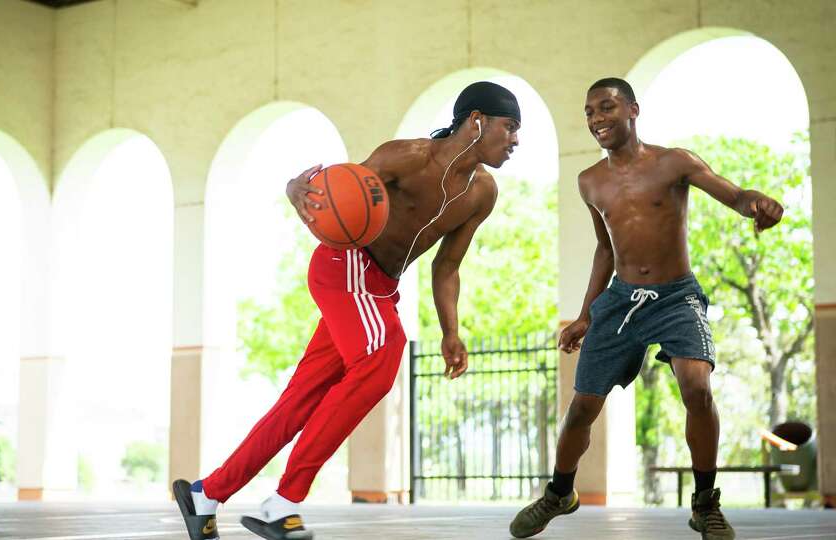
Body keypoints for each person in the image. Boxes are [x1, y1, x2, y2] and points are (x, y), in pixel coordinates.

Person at [173, 81, 522, 540]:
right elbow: (336, 194)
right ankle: (284, 503)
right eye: (510, 127)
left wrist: (450, 331)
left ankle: (206, 495)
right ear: (477, 121)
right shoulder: (407, 156)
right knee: (383, 353)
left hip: (377, 288)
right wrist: (293, 188)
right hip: (346, 265)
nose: (515, 140)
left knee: (300, 400)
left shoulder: (483, 193)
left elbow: (447, 265)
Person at [509, 77, 784, 540]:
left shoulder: (674, 162)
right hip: (619, 302)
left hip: (677, 296)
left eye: (607, 107)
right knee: (581, 409)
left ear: (633, 110)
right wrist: (585, 314)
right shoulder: (589, 181)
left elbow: (732, 194)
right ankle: (560, 492)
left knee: (697, 389)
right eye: (590, 111)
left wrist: (754, 203)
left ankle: (704, 503)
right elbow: (604, 250)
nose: (597, 118)